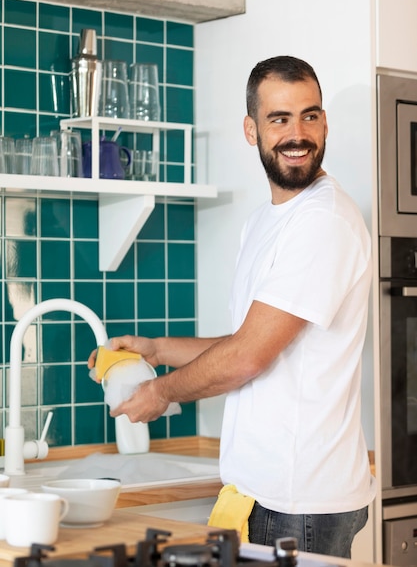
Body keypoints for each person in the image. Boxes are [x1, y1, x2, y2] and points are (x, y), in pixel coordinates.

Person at [88, 55, 376, 558]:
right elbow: (253, 338)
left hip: (301, 500)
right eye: (279, 118)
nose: (298, 133)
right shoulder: (266, 221)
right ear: (251, 129)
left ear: (325, 121)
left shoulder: (323, 221)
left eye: (310, 115)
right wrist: (158, 348)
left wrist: (160, 391)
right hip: (268, 495)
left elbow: (248, 357)